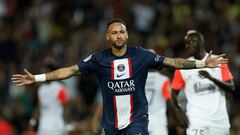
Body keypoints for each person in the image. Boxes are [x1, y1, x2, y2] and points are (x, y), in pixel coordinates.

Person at [11, 19, 228, 135]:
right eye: (114, 32)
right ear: (108, 36)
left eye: (122, 32)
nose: (119, 35)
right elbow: (68, 71)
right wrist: (37, 78)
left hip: (137, 121)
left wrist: (202, 63)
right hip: (111, 125)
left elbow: (174, 62)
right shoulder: (98, 59)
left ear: (127, 34)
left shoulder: (141, 56)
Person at [171, 30, 235, 135]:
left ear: (201, 43)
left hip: (220, 122)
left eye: (191, 42)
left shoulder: (218, 60)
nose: (187, 45)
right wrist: (179, 113)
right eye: (186, 43)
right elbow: (173, 93)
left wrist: (211, 78)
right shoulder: (182, 66)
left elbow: (231, 88)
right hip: (196, 121)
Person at [29, 58, 69, 135]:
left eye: (48, 69)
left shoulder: (60, 88)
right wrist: (33, 121)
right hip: (43, 126)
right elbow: (38, 107)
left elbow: (66, 107)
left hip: (56, 125)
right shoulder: (41, 89)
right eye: (44, 69)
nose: (45, 71)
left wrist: (66, 124)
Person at [145, 69, 171, 135]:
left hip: (141, 119)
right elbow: (169, 100)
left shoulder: (137, 79)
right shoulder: (164, 79)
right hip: (158, 119)